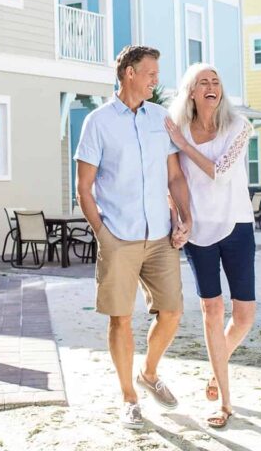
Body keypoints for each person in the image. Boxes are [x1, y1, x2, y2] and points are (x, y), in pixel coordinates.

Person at [74, 45, 192, 430]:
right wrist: (102, 234)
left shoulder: (161, 119)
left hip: (159, 234)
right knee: (120, 319)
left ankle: (149, 371)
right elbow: (84, 188)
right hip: (118, 236)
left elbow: (174, 175)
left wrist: (184, 216)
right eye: (150, 73)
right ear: (129, 73)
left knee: (172, 311)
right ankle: (129, 395)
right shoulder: (98, 122)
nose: (156, 80)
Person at [164, 63, 256, 429]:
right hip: (199, 233)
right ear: (191, 92)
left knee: (245, 317)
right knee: (212, 312)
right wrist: (178, 221)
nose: (211, 86)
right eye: (203, 82)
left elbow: (219, 170)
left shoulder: (239, 126)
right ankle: (226, 403)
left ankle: (217, 366)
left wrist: (184, 143)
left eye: (216, 81)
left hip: (236, 226)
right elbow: (172, 182)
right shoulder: (177, 130)